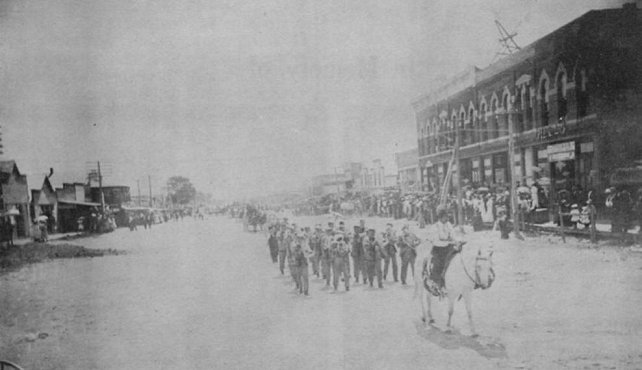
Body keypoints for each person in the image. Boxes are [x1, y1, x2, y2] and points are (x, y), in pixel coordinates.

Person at [430, 209, 461, 295]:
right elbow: (436, 240)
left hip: (448, 248)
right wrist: (448, 242)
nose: (447, 218)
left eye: (447, 217)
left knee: (457, 258)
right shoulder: (435, 227)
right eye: (445, 217)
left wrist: (457, 241)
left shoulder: (448, 225)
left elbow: (453, 235)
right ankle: (436, 283)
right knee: (439, 264)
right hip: (438, 249)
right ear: (440, 217)